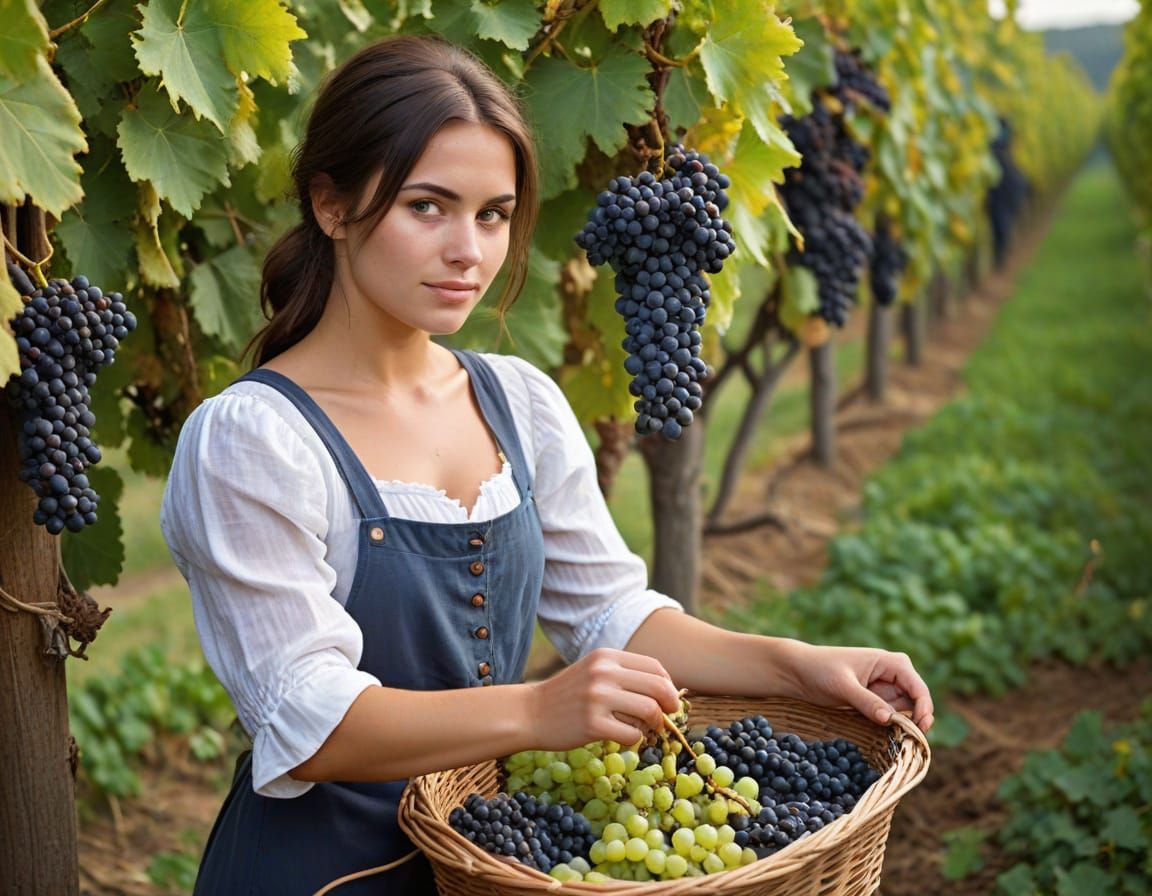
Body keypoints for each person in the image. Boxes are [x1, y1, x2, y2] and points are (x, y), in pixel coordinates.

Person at [160, 33, 934, 896]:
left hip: (497, 861)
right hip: (318, 876)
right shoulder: (255, 441)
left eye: (493, 214)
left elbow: (608, 612)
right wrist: (536, 709)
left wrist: (797, 665)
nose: (469, 250)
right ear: (331, 206)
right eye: (428, 207)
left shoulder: (516, 401)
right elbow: (310, 721)